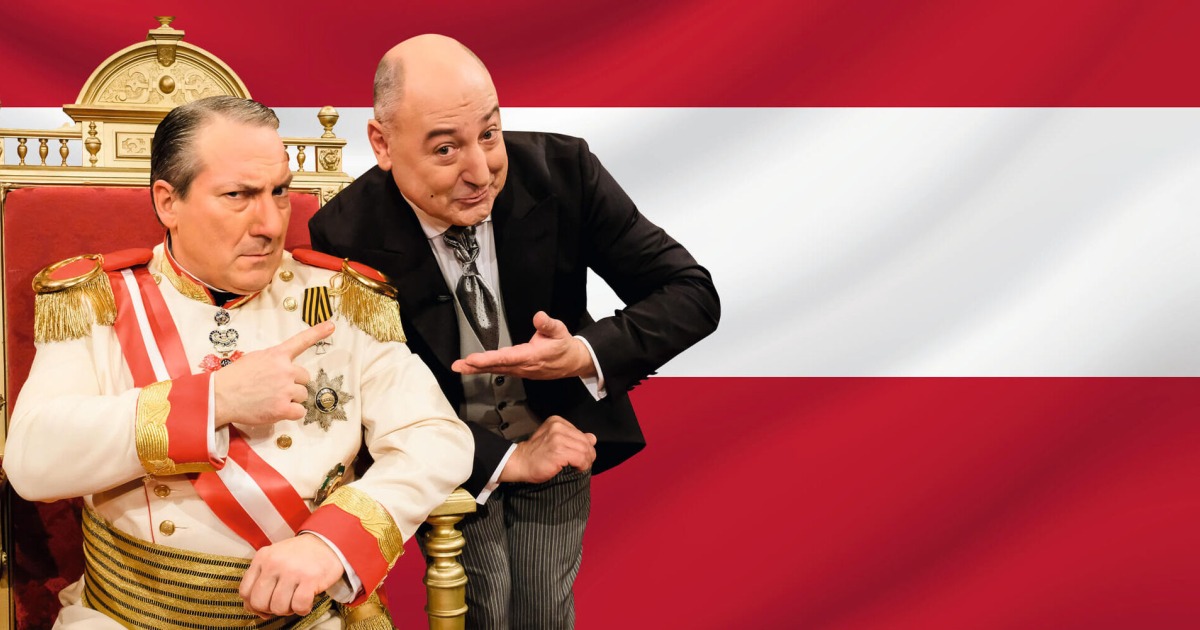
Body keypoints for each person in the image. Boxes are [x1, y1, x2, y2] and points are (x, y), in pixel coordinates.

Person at [2, 95, 473, 628]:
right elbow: (32, 460)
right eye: (238, 196)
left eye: (280, 192)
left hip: (308, 618)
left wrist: (332, 543)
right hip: (129, 619)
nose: (270, 224)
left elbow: (436, 436)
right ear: (168, 202)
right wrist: (215, 400)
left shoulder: (342, 298)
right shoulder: (100, 301)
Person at [308, 35, 720, 629]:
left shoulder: (564, 171)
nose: (481, 172)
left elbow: (690, 293)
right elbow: (373, 395)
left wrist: (582, 355)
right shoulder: (344, 232)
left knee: (542, 613)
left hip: (558, 435)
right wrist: (507, 459)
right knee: (486, 613)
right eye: (445, 149)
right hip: (447, 455)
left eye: (490, 133)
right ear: (383, 144)